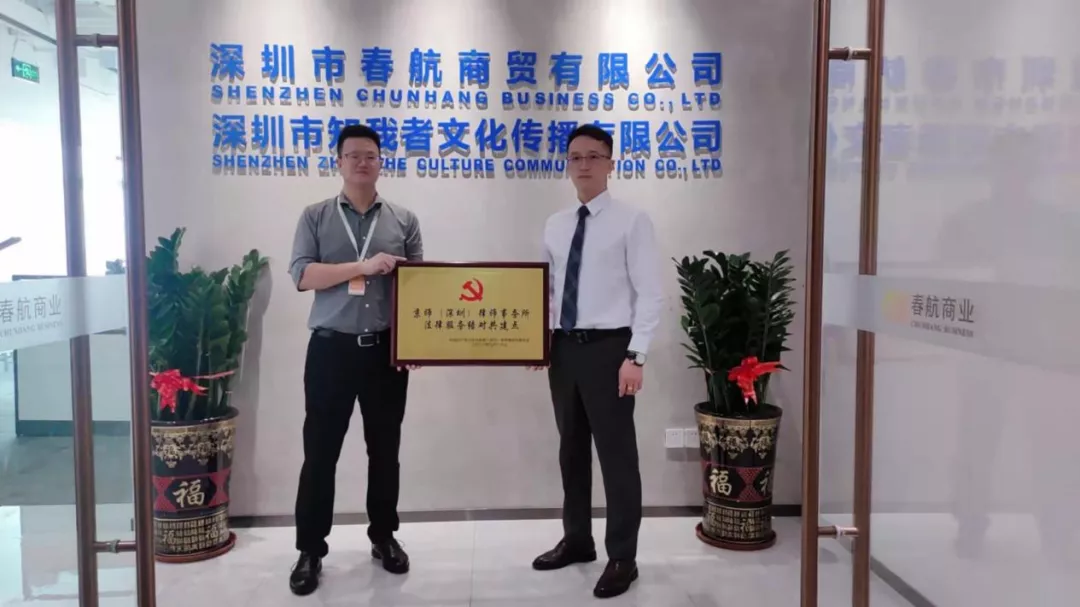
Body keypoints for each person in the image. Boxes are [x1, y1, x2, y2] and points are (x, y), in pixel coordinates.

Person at [287, 124, 423, 596]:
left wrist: (414, 342)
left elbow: (418, 287)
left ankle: (384, 536)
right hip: (330, 350)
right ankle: (310, 550)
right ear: (339, 162)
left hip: (385, 353)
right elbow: (303, 275)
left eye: (370, 155)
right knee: (320, 453)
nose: (362, 162)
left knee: (384, 451)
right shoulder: (315, 216)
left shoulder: (404, 220)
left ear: (381, 162)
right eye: (353, 155)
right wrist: (362, 267)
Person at [532, 124, 664, 599]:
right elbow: (546, 291)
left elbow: (651, 293)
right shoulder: (556, 223)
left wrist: (636, 355)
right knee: (571, 450)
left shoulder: (632, 220)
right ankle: (578, 540)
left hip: (611, 350)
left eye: (593, 156)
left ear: (611, 163)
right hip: (564, 349)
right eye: (575, 157)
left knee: (616, 455)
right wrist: (537, 341)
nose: (583, 164)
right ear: (567, 165)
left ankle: (623, 556)